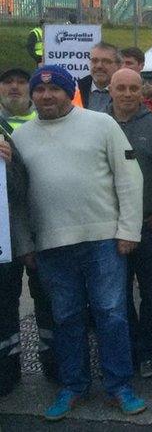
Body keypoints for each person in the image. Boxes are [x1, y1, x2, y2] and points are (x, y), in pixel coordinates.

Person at [13, 65, 147, 419]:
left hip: (102, 240)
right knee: (66, 317)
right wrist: (25, 243)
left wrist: (128, 230)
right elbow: (18, 198)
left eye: (54, 90)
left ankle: (119, 385)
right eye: (39, 91)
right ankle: (74, 385)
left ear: (68, 90)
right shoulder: (21, 138)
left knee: (111, 313)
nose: (46, 96)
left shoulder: (101, 124)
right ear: (33, 95)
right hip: (51, 247)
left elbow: (129, 177)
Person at [108, 69, 152, 379]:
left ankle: (150, 350)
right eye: (121, 88)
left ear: (142, 92)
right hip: (111, 227)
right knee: (116, 294)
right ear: (110, 90)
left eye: (134, 88)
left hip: (151, 225)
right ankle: (129, 347)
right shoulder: (97, 126)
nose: (128, 94)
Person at [0, 66, 58, 392]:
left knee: (48, 299)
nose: (14, 87)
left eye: (22, 82)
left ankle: (55, 363)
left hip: (43, 228)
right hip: (3, 235)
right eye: (7, 82)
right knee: (4, 304)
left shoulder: (50, 120)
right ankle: (7, 371)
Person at [73, 42, 122, 112]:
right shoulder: (76, 90)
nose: (99, 66)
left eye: (106, 61)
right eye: (94, 61)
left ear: (119, 65)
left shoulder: (127, 91)